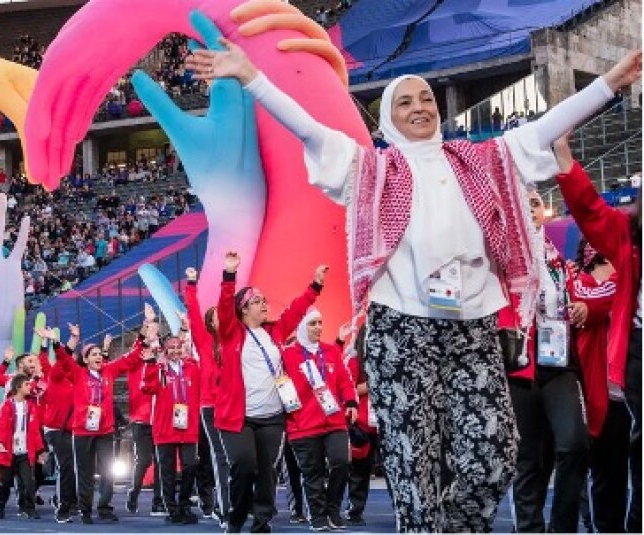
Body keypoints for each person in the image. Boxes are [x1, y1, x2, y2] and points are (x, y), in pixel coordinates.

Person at [186, 34, 641, 532]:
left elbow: (544, 129)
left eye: (427, 97)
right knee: (414, 472)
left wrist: (608, 84)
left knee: (493, 459)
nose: (421, 106)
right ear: (387, 118)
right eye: (405, 101)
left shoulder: (480, 160)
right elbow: (310, 130)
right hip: (400, 334)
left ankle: (446, 526)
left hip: (473, 333)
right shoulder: (372, 168)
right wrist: (251, 77)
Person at [553, 133, 643, 533]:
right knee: (618, 461)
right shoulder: (628, 237)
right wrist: (562, 153)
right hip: (630, 359)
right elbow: (589, 208)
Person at [215, 250, 326, 533]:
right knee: (245, 466)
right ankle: (236, 516)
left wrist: (315, 286)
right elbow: (224, 307)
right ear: (243, 309)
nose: (264, 304)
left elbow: (295, 310)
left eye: (264, 300)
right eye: (256, 301)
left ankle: (262, 521)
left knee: (267, 473)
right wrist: (229, 274)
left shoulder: (274, 333)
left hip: (272, 417)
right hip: (238, 418)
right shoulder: (231, 334)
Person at [500, 187, 590, 532]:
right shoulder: (503, 260)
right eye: (523, 204)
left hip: (559, 366)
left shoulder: (560, 264)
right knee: (528, 461)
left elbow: (585, 298)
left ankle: (562, 526)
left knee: (573, 445)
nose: (531, 209)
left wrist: (584, 307)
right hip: (519, 367)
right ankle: (529, 528)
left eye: (536, 203)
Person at [38, 320, 150, 524]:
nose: (99, 356)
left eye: (100, 354)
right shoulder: (77, 373)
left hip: (105, 430)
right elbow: (63, 360)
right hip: (82, 431)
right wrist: (59, 342)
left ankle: (105, 507)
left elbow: (131, 358)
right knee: (85, 472)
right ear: (86, 359)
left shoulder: (109, 371)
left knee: (108, 469)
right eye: (94, 354)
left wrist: (143, 332)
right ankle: (85, 510)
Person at [280, 309, 358, 531]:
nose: (318, 327)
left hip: (334, 421)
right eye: (312, 323)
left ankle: (332, 509)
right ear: (303, 325)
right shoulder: (288, 355)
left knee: (341, 463)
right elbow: (280, 384)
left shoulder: (331, 351)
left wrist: (351, 403)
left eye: (320, 323)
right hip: (302, 425)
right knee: (312, 474)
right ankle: (318, 516)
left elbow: (345, 381)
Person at [572, 240, 630, 532]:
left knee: (622, 475)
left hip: (627, 393)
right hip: (596, 393)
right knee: (604, 476)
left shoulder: (630, 275)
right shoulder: (577, 281)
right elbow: (591, 299)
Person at [141, 325, 201, 525]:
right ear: (165, 351)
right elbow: (146, 388)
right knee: (166, 471)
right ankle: (172, 509)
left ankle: (184, 504)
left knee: (190, 466)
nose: (175, 351)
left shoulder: (192, 369)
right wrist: (151, 364)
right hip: (165, 428)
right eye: (171, 348)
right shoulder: (159, 370)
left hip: (188, 427)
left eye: (178, 347)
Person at [184, 266, 229, 527]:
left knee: (237, 459)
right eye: (214, 317)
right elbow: (193, 311)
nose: (219, 319)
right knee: (220, 456)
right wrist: (191, 283)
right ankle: (222, 509)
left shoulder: (235, 340)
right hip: (211, 406)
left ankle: (235, 502)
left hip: (235, 405)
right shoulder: (203, 341)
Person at [40, 326, 80, 523]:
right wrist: (70, 340)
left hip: (74, 428)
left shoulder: (77, 377)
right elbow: (61, 358)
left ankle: (69, 501)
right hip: (56, 428)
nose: (70, 360)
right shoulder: (55, 375)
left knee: (73, 467)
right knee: (66, 466)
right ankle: (63, 506)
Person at [125, 336, 167, 518]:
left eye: (156, 345)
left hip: (160, 421)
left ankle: (158, 502)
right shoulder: (135, 365)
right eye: (150, 345)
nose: (153, 348)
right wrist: (145, 330)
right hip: (141, 422)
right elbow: (137, 346)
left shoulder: (161, 367)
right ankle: (133, 493)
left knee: (161, 462)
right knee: (144, 461)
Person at [344, 327, 380, 526]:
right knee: (360, 473)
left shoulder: (388, 359)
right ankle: (355, 510)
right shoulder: (354, 362)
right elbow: (347, 389)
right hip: (364, 426)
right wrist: (371, 385)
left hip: (385, 426)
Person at [0, 374, 45, 520]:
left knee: (29, 481)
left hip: (25, 451)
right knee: (5, 483)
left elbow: (35, 430)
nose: (30, 387)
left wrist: (40, 450)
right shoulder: (6, 406)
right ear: (18, 387)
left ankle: (30, 509)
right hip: (9, 451)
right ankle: (1, 506)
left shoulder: (30, 406)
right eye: (27, 385)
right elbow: (2, 427)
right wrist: (0, 442)